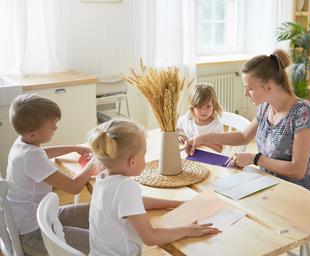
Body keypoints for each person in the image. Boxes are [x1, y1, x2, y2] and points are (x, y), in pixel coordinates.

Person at [186, 49, 310, 195]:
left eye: (249, 89)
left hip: (301, 195)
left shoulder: (303, 112)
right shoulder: (266, 108)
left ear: (268, 87)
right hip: (270, 186)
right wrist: (203, 138)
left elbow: (297, 171)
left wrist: (255, 159)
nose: (245, 94)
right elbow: (244, 137)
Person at [88, 118, 220, 256]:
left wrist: (178, 203)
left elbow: (133, 202)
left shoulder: (103, 177)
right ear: (132, 161)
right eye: (144, 155)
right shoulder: (126, 187)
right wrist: (189, 230)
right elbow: (150, 237)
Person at [6, 94, 96, 255]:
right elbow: (75, 187)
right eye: (51, 126)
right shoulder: (29, 157)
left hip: (41, 217)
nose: (56, 128)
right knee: (101, 242)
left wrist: (75, 147)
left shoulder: (23, 143)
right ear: (32, 134)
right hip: (33, 235)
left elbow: (42, 152)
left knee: (99, 211)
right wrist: (95, 161)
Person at [177, 83, 224, 152]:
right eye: (199, 106)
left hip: (207, 158)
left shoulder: (216, 125)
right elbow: (177, 131)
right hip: (188, 155)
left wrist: (203, 141)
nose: (203, 111)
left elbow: (219, 149)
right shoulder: (187, 118)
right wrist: (179, 137)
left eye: (208, 106)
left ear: (213, 105)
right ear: (192, 107)